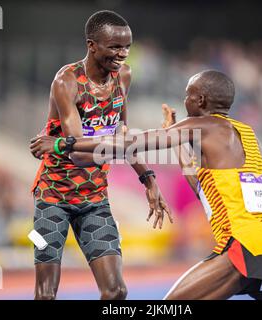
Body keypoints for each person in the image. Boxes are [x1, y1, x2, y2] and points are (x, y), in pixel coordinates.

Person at [31, 70, 262, 300]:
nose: (185, 100)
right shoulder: (245, 135)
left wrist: (64, 143)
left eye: (188, 94)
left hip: (247, 245)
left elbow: (133, 143)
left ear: (201, 100)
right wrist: (181, 142)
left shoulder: (202, 124)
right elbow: (203, 188)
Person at [29, 10, 172, 300]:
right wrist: (130, 141)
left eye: (127, 47)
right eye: (115, 47)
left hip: (94, 199)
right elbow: (79, 154)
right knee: (45, 295)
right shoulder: (66, 82)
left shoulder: (124, 77)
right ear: (91, 45)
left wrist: (148, 178)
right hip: (53, 197)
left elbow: (120, 132)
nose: (123, 54)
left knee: (116, 291)